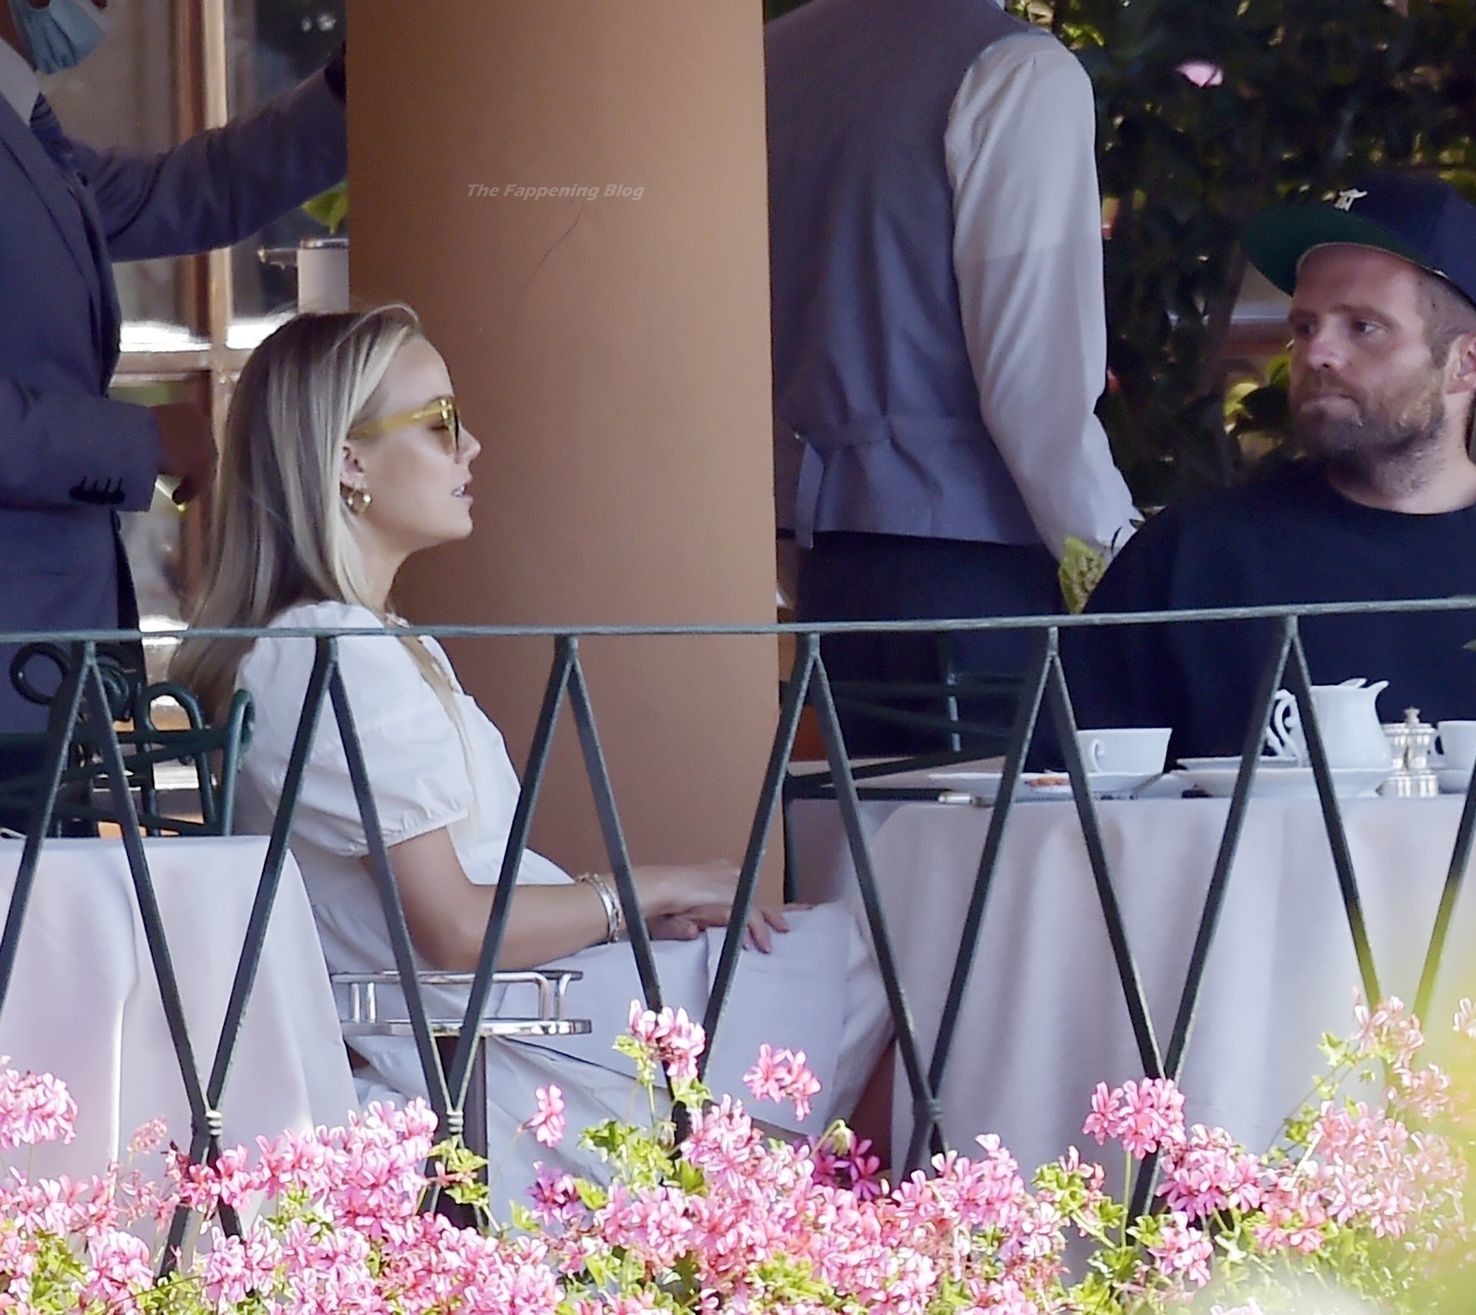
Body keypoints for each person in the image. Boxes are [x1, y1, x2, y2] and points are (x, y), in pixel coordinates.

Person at [172, 307, 892, 1207]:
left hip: (517, 1012)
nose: (471, 445)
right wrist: (642, 891)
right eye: (440, 421)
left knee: (843, 958)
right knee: (876, 958)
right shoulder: (335, 650)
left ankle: (817, 1230)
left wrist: (625, 917)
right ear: (348, 460)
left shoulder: (361, 640)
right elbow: (455, 929)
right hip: (489, 1052)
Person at [1066, 172, 1476, 787]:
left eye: (1363, 327)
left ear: (1469, 363)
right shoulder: (1188, 564)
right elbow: (1063, 808)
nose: (1318, 352)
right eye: (1305, 325)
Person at [765, 0, 1138, 753]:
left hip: (822, 568)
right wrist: (1123, 577)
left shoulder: (765, 61)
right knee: (1009, 831)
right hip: (978, 575)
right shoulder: (1017, 69)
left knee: (866, 826)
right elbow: (1036, 394)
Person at [0, 0, 346, 801]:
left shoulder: (26, 125)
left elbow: (192, 187)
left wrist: (346, 91)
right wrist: (139, 441)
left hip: (47, 667)